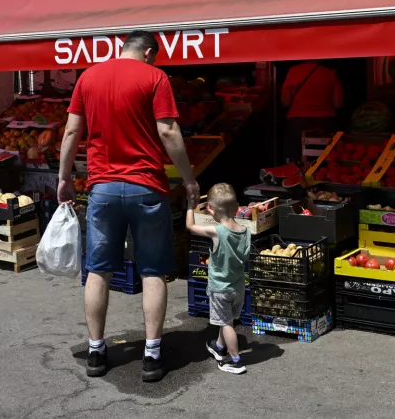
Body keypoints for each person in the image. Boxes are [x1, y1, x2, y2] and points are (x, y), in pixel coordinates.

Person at [57, 30, 199, 382]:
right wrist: (189, 179)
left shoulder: (88, 77)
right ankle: (151, 356)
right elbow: (168, 131)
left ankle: (95, 351)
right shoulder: (155, 77)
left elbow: (72, 132)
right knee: (152, 271)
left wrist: (63, 178)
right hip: (146, 187)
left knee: (98, 271)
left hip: (102, 188)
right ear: (149, 52)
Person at [185, 183, 250, 375]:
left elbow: (190, 227)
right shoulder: (245, 231)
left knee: (226, 324)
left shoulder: (216, 232)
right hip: (238, 287)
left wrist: (190, 206)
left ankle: (235, 360)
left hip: (220, 288)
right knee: (227, 319)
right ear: (237, 207)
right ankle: (219, 347)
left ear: (211, 209)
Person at [281, 61, 344, 164]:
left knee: (296, 161)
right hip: (325, 123)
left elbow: (285, 101)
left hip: (297, 124)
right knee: (326, 161)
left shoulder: (293, 72)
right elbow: (338, 103)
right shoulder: (330, 73)